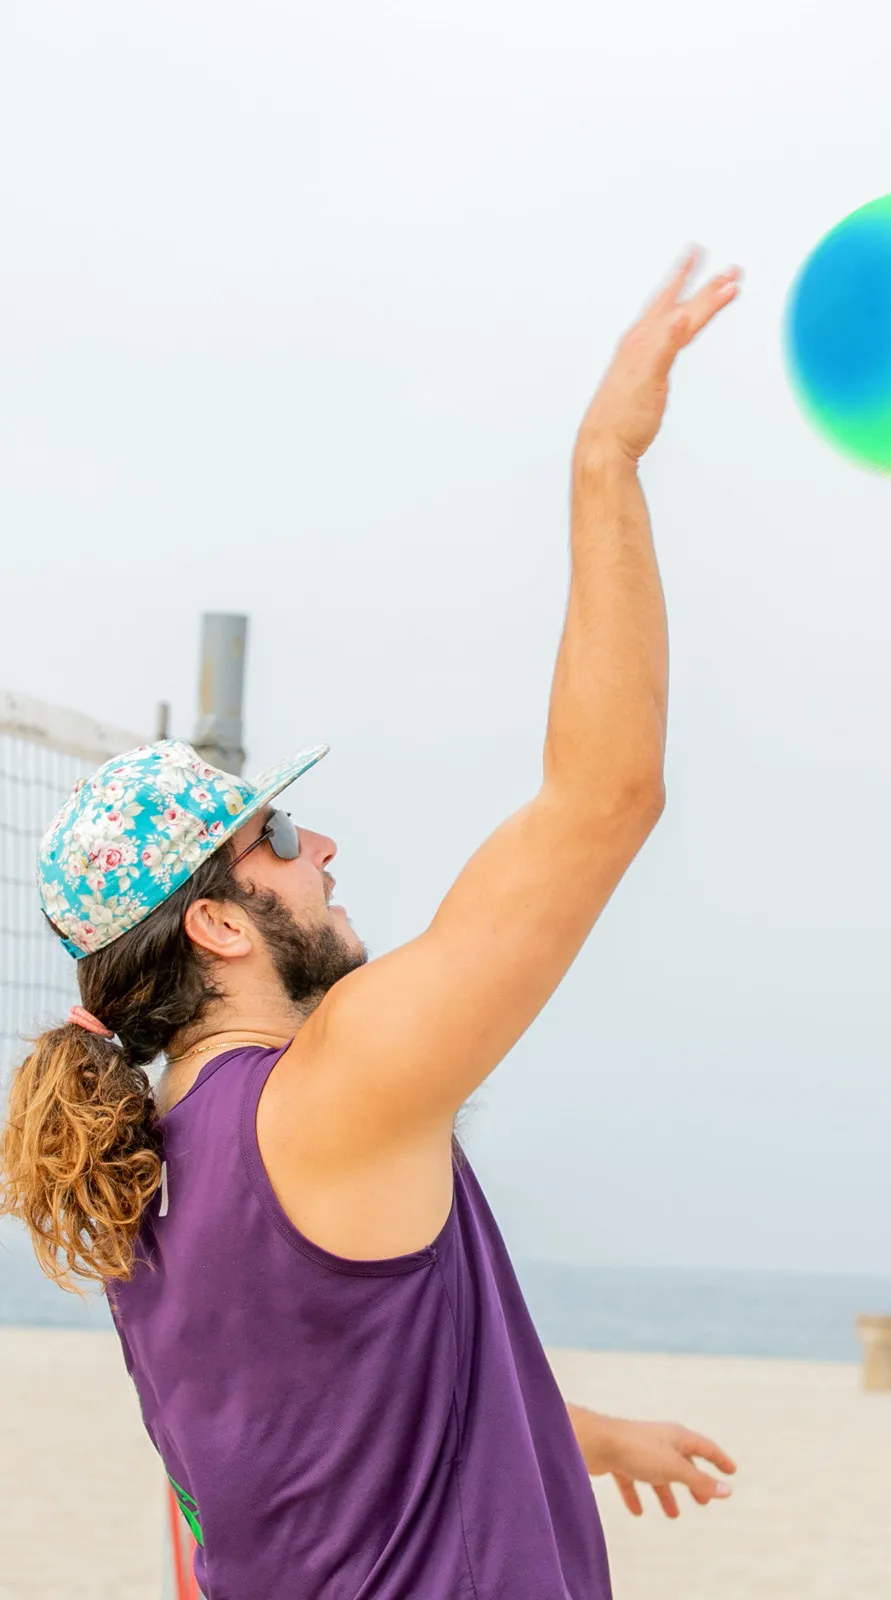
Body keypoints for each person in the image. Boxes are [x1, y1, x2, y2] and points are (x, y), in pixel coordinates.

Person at [1, 251, 741, 1599]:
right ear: (218, 925)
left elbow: (251, 1476)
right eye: (277, 838)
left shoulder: (138, 1183)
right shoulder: (328, 1093)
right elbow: (605, 799)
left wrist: (573, 1437)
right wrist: (605, 461)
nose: (323, 846)